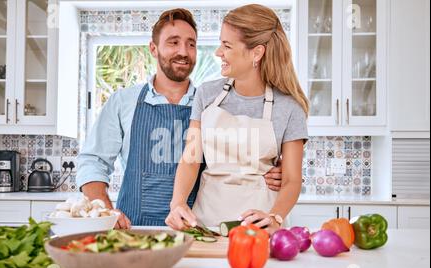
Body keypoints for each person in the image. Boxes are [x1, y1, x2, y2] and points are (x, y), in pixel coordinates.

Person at [76, 8, 283, 228]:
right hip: (134, 229)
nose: (183, 52)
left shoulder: (216, 104)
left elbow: (242, 153)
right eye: (173, 42)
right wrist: (105, 209)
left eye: (191, 44)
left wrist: (272, 169)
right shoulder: (123, 101)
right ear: (153, 49)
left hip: (198, 229)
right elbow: (93, 162)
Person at [167, 4, 309, 234]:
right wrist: (178, 203)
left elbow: (292, 179)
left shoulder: (289, 108)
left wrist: (275, 217)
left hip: (260, 226)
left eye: (227, 45)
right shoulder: (207, 94)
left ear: (256, 53)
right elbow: (191, 158)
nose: (218, 52)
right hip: (206, 221)